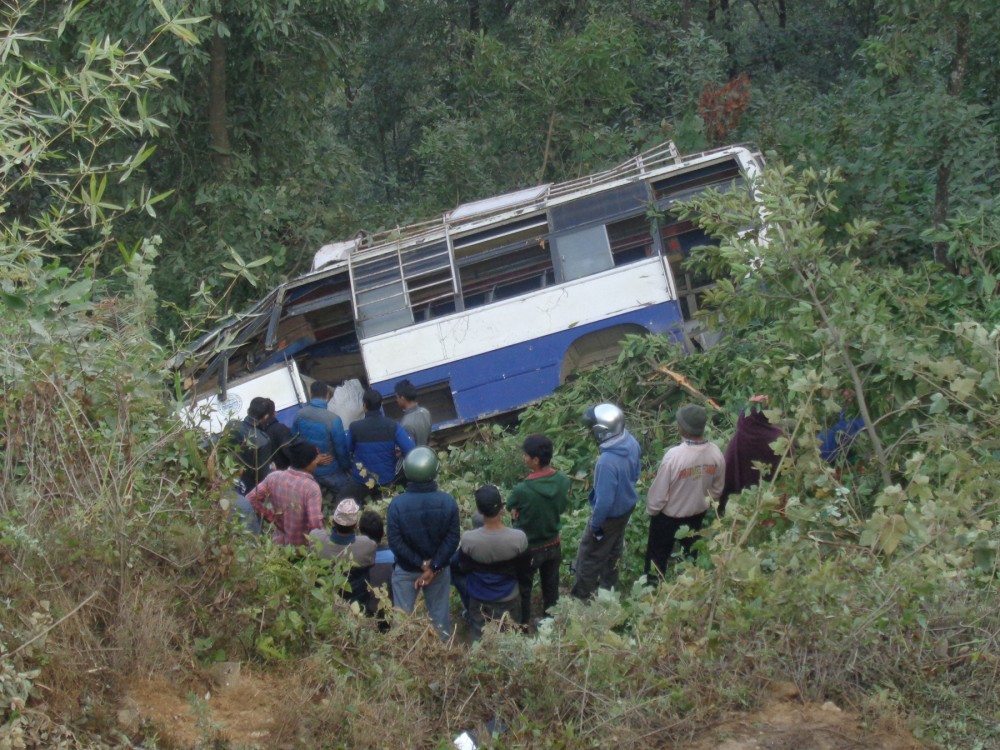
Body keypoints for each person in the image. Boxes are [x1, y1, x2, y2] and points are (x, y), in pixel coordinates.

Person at [386, 447, 460, 640]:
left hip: (406, 569)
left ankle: (402, 661)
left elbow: (395, 542)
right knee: (440, 618)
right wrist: (433, 566)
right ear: (435, 471)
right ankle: (443, 658)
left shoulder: (397, 505)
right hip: (439, 570)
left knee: (401, 620)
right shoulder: (448, 502)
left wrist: (421, 564)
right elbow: (452, 539)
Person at [645, 404, 725, 578]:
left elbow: (658, 494)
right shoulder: (715, 453)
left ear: (682, 428)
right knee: (690, 555)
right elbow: (717, 489)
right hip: (697, 515)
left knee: (657, 558)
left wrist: (653, 512)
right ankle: (689, 586)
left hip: (667, 517)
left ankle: (652, 591)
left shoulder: (674, 457)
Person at [571, 403, 641, 600]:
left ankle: (582, 597)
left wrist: (595, 525)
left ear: (602, 432)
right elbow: (636, 472)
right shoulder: (630, 441)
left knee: (589, 554)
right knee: (613, 550)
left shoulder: (606, 462)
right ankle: (607, 591)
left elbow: (604, 502)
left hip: (607, 519)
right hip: (625, 510)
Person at [507, 434, 570, 624]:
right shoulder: (563, 481)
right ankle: (550, 622)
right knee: (551, 587)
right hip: (553, 543)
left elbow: (511, 506)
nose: (524, 458)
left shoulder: (522, 489)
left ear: (535, 460)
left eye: (526, 455)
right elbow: (560, 508)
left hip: (530, 548)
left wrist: (516, 512)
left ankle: (523, 625)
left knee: (524, 588)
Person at [455, 486, 529, 641]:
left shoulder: (469, 539)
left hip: (479, 597)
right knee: (510, 639)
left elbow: (463, 566)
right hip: (509, 596)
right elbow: (524, 570)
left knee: (480, 639)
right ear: (502, 509)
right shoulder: (518, 538)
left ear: (479, 512)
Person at [246, 440, 324, 547]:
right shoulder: (311, 488)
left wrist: (271, 517)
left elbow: (250, 498)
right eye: (315, 459)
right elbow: (315, 523)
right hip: (302, 549)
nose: (317, 462)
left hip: (278, 544)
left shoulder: (274, 477)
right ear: (307, 463)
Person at [344, 388, 415, 503]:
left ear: (364, 406)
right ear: (381, 404)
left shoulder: (354, 427)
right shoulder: (392, 425)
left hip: (361, 479)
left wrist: (349, 468)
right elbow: (410, 450)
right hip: (386, 478)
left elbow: (347, 450)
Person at [719, 395, 783, 516]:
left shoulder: (738, 440)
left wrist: (720, 506)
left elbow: (727, 476)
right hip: (776, 505)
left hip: (742, 507)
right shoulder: (781, 438)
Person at [309, 498, 377, 607]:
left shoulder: (315, 537)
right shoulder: (367, 545)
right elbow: (372, 563)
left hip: (323, 600)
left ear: (334, 521)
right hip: (355, 601)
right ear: (356, 525)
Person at [293, 381, 350, 499]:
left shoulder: (299, 415)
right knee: (346, 496)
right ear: (327, 395)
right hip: (331, 470)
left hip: (308, 469)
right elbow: (341, 450)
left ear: (310, 393)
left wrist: (312, 459)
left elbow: (294, 442)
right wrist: (347, 467)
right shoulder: (333, 419)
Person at [360, 510, 394, 607]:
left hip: (364, 612)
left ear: (361, 534)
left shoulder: (355, 558)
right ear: (383, 533)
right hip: (391, 611)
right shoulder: (394, 556)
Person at [258, 397, 294, 471]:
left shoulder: (254, 433)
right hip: (285, 474)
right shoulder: (280, 429)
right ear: (274, 413)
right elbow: (291, 453)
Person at [394, 379, 432, 447]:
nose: (396, 400)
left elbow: (408, 449)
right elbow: (428, 438)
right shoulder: (425, 412)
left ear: (402, 398)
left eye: (397, 397)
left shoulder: (406, 424)